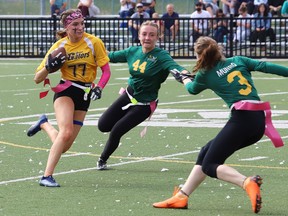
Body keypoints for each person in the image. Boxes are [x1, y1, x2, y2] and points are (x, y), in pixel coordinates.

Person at [153, 36, 288, 214]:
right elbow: (266, 66)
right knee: (206, 151)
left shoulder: (204, 75)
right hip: (257, 121)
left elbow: (192, 89)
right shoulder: (238, 60)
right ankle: (182, 196)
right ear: (219, 49)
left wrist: (184, 78)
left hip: (242, 120)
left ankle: (247, 182)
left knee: (210, 165)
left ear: (199, 56)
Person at [26, 9, 111, 187]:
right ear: (66, 27)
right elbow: (37, 78)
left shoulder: (93, 42)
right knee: (65, 133)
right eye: (75, 25)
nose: (80, 27)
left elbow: (106, 71)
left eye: (81, 23)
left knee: (64, 146)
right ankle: (46, 176)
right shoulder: (59, 46)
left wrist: (100, 88)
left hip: (85, 94)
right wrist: (49, 67)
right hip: (66, 90)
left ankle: (44, 124)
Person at [96, 21, 190, 170]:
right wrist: (89, 52)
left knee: (116, 131)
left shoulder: (161, 56)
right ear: (139, 36)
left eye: (152, 35)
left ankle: (102, 160)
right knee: (103, 126)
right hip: (127, 96)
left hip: (144, 105)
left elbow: (177, 68)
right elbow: (107, 57)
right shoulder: (132, 51)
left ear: (158, 37)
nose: (147, 37)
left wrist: (185, 76)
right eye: (144, 34)